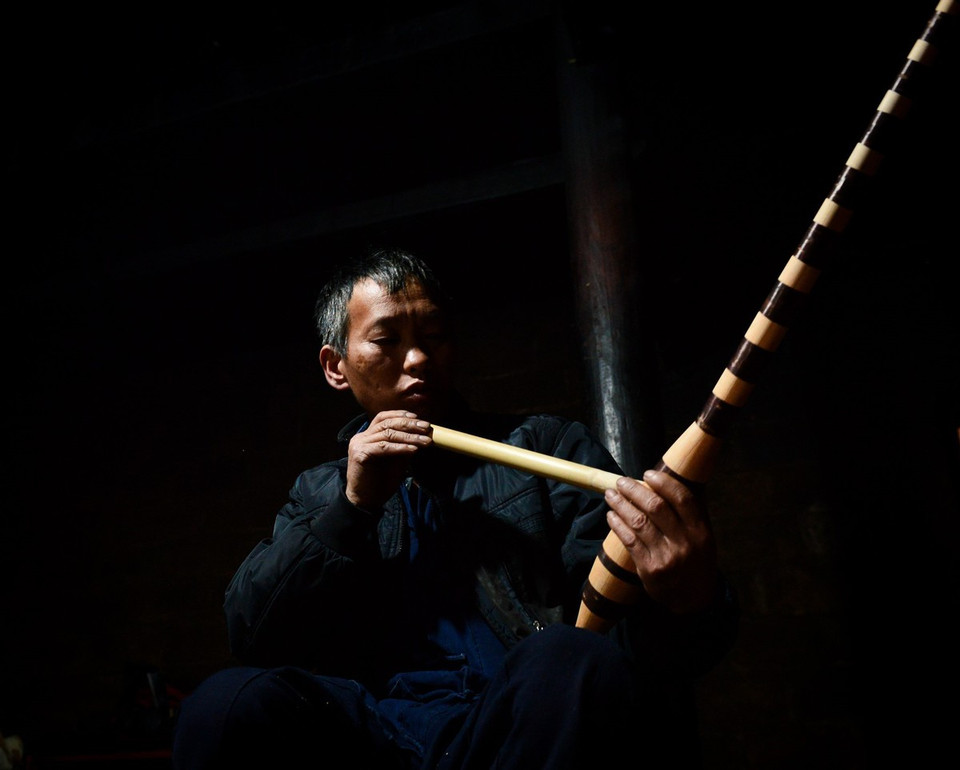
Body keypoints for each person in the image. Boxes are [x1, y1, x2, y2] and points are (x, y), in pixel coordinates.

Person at [172, 246, 739, 769]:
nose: (419, 358)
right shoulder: (319, 492)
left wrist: (687, 597)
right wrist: (352, 507)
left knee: (566, 656)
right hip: (375, 733)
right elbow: (251, 632)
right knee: (225, 705)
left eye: (435, 336)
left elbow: (622, 652)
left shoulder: (546, 448)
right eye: (387, 340)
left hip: (512, 721)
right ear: (335, 366)